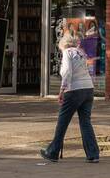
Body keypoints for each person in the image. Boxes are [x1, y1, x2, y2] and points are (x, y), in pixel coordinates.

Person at [40, 33, 101, 163]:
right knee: (85, 122)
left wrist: (62, 90)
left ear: (63, 45)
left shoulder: (67, 53)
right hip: (88, 89)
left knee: (63, 121)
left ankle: (53, 151)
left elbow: (67, 72)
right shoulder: (81, 53)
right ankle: (93, 153)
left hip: (74, 89)